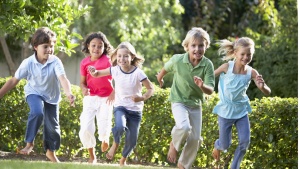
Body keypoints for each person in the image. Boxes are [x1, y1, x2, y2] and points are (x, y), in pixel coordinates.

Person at [0, 27, 75, 162]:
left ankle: (50, 152)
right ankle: (29, 144)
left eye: (51, 46)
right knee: (37, 112)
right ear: (35, 47)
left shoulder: (55, 61)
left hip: (52, 97)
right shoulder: (28, 63)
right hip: (34, 93)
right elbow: (13, 80)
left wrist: (69, 93)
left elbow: (63, 78)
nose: (49, 50)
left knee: (53, 128)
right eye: (45, 46)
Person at [156, 27, 215, 169]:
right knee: (184, 126)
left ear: (206, 46)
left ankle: (182, 165)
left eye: (201, 45)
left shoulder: (208, 65)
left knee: (195, 139)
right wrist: (160, 78)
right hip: (178, 101)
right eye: (193, 45)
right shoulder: (177, 60)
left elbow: (211, 89)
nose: (197, 49)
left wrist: (202, 86)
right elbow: (165, 68)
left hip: (196, 104)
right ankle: (174, 144)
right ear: (187, 46)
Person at [88, 41, 155, 166]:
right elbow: (97, 73)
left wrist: (141, 98)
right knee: (119, 126)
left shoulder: (138, 73)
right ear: (116, 57)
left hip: (135, 111)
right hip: (121, 107)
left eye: (125, 56)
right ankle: (115, 144)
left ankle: (122, 160)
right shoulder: (115, 70)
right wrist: (93, 71)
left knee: (132, 140)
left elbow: (151, 88)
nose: (121, 59)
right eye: (119, 56)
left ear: (132, 57)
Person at [211, 37, 271, 169]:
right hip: (225, 111)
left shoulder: (252, 72)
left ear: (252, 54)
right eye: (242, 54)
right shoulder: (226, 67)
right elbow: (210, 77)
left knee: (244, 142)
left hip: (241, 112)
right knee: (225, 145)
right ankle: (218, 145)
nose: (245, 57)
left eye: (249, 54)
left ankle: (234, 167)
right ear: (235, 53)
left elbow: (268, 91)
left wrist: (262, 87)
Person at [79, 31, 114, 164]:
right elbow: (82, 82)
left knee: (104, 123)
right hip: (91, 97)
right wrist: (83, 88)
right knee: (86, 127)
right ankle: (92, 155)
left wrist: (114, 92)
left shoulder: (108, 61)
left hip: (107, 98)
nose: (96, 49)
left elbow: (118, 76)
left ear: (104, 47)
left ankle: (105, 138)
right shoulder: (84, 63)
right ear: (88, 46)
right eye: (93, 45)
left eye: (100, 46)